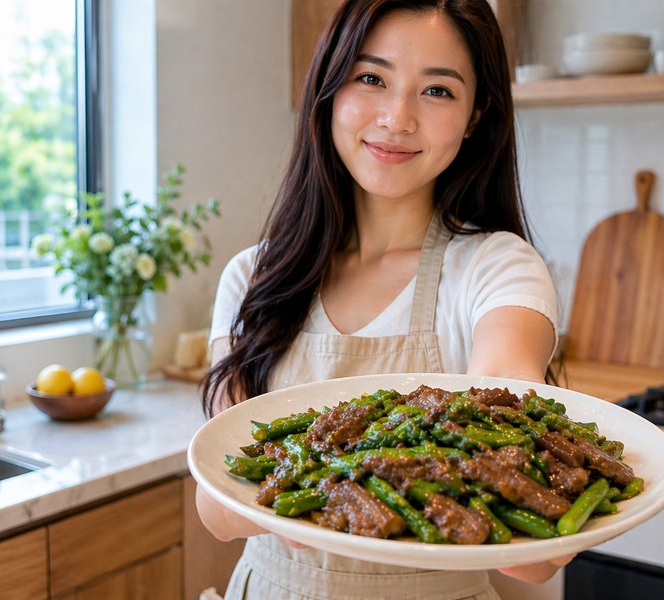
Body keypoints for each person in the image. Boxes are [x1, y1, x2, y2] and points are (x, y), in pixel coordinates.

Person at [196, 0, 571, 597]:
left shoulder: (495, 268)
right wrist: (341, 487)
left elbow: (532, 557)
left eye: (438, 91)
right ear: (329, 91)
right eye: (371, 79)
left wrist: (317, 482)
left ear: (476, 117)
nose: (397, 118)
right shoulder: (254, 277)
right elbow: (217, 510)